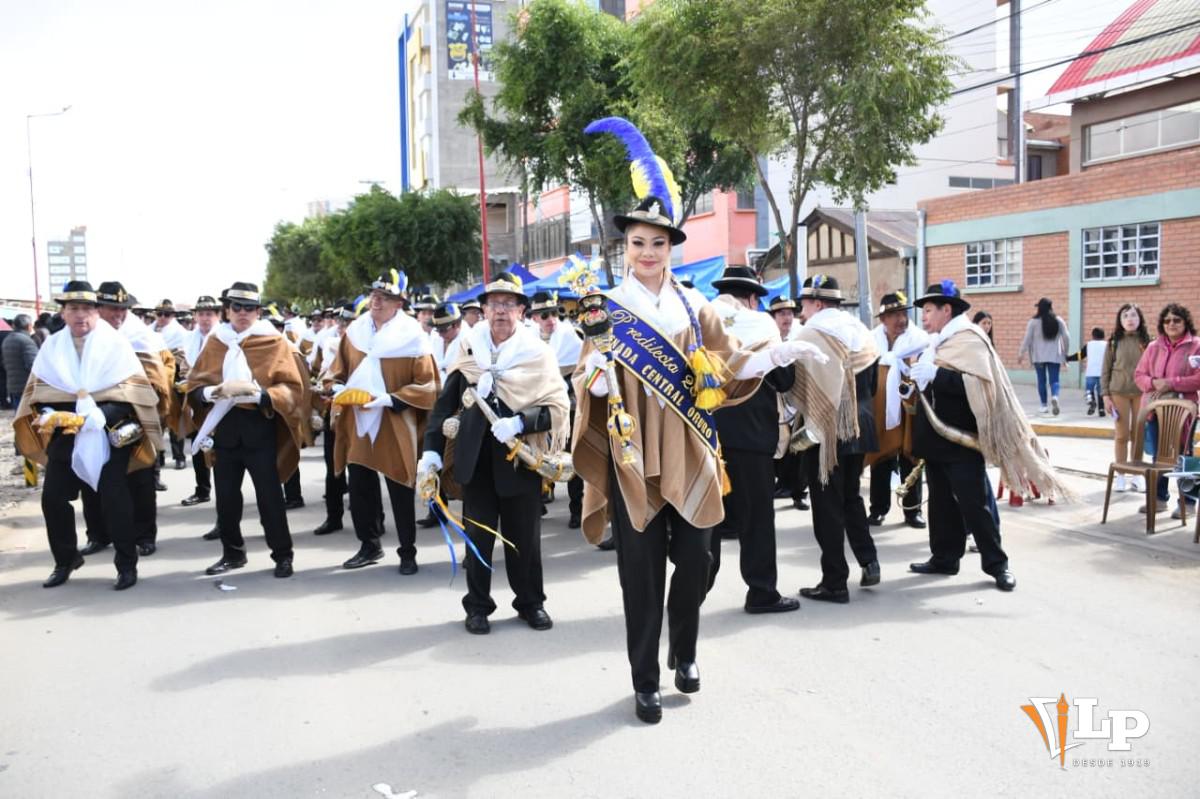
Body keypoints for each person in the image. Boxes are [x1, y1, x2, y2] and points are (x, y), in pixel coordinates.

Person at [571, 114, 826, 724]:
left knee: (702, 562)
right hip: (633, 453)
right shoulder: (604, 308)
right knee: (640, 574)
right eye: (638, 243)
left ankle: (684, 647)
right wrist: (595, 378)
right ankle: (646, 679)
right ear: (624, 247)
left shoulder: (695, 303)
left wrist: (777, 354)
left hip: (689, 447)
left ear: (670, 248)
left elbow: (728, 361)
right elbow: (584, 368)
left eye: (659, 243)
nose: (649, 252)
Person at [420, 270, 570, 633]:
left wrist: (521, 422)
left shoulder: (538, 353)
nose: (500, 310)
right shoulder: (469, 350)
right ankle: (477, 607)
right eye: (493, 304)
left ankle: (530, 603)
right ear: (483, 310)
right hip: (475, 459)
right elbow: (445, 404)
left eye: (508, 304)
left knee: (526, 542)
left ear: (521, 311)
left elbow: (558, 407)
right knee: (478, 541)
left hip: (521, 459)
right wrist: (432, 452)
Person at [908, 281, 1068, 591]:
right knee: (940, 503)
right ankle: (944, 558)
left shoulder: (969, 339)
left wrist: (937, 375)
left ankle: (998, 565)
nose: (924, 317)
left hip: (963, 437)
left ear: (946, 309)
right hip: (936, 436)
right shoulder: (937, 341)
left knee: (975, 504)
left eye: (928, 310)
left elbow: (981, 386)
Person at [12, 281, 161, 590]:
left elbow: (134, 395)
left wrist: (98, 416)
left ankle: (126, 564)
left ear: (96, 312)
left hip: (109, 434)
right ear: (63, 313)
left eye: (86, 309)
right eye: (73, 309)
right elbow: (38, 393)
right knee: (53, 498)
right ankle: (65, 560)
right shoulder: (52, 347)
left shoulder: (115, 345)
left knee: (114, 497)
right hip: (66, 434)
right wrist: (51, 414)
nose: (80, 315)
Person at [186, 282, 306, 578]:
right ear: (226, 310)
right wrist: (213, 392)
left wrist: (261, 395)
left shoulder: (274, 341)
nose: (242, 313)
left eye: (249, 308)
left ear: (258, 311)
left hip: (259, 428)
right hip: (224, 429)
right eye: (236, 307)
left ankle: (283, 555)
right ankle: (232, 554)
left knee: (270, 498)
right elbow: (194, 386)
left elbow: (292, 388)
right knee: (226, 498)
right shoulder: (216, 341)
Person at [327, 271, 438, 574]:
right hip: (357, 417)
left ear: (399, 303)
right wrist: (336, 387)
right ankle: (369, 545)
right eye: (374, 294)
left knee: (400, 486)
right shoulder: (355, 332)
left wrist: (391, 399)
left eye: (384, 296)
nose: (376, 300)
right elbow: (336, 372)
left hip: (394, 419)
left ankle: (407, 552)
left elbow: (428, 385)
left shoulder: (414, 336)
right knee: (360, 486)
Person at [707, 267, 799, 614]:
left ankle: (693, 590)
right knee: (757, 519)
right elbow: (784, 380)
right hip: (753, 434)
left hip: (708, 433)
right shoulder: (761, 325)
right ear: (751, 297)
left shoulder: (705, 320)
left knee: (707, 518)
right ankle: (761, 591)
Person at [788, 275, 880, 604]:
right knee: (851, 498)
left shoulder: (812, 333)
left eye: (805, 304)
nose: (801, 310)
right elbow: (874, 385)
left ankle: (834, 582)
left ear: (818, 303)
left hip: (827, 430)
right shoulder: (861, 330)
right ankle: (869, 560)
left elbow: (795, 382)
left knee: (827, 506)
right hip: (861, 426)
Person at [867, 291, 929, 529]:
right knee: (880, 458)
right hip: (880, 409)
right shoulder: (872, 340)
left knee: (910, 456)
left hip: (910, 407)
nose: (900, 319)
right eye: (894, 315)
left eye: (903, 313)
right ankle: (878, 509)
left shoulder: (919, 340)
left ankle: (912, 511)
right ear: (883, 319)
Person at [1134, 303, 1200, 518]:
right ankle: (1159, 499)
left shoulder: (1196, 346)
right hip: (1155, 410)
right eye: (1167, 320)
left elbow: (1198, 379)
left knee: (1184, 456)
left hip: (1183, 412)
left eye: (1177, 320)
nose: (1171, 324)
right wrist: (1155, 382)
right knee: (1158, 456)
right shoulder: (1153, 347)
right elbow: (1139, 376)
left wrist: (1172, 383)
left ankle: (1188, 503)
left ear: (1185, 322)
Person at [529, 290, 585, 528]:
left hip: (568, 410)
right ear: (534, 318)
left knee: (573, 460)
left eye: (553, 313)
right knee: (533, 457)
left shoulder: (572, 337)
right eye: (544, 315)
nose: (550, 319)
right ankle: (535, 502)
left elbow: (582, 376)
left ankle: (577, 508)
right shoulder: (526, 340)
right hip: (538, 409)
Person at [312, 303, 354, 536]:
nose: (341, 327)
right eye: (340, 323)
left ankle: (372, 519)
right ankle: (333, 516)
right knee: (333, 467)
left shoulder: (364, 344)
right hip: (334, 411)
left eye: (347, 323)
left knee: (361, 469)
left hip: (359, 411)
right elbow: (323, 373)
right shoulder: (329, 343)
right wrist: (325, 385)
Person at [1101, 303, 1150, 492]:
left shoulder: (1148, 342)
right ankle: (1120, 475)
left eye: (1134, 316)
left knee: (1138, 435)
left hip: (1142, 393)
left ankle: (1137, 475)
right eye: (1126, 316)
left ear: (1140, 319)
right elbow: (1105, 370)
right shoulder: (1113, 342)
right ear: (1120, 321)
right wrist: (1106, 396)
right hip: (1118, 392)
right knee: (1122, 435)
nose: (1130, 319)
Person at [180, 295, 222, 512]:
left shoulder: (223, 337)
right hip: (196, 399)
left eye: (209, 314)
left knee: (220, 450)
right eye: (201, 314)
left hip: (218, 399)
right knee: (197, 444)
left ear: (218, 316)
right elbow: (185, 366)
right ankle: (202, 489)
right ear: (195, 316)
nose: (205, 318)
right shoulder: (189, 339)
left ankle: (224, 498)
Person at [1018, 297, 1069, 416]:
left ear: (1039, 308)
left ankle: (1044, 405)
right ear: (1051, 307)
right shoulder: (1058, 320)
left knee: (1041, 380)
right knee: (1054, 380)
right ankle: (1055, 397)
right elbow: (1066, 337)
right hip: (1055, 356)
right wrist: (1065, 353)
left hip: (1038, 357)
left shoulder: (1033, 322)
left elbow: (1027, 339)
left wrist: (1021, 353)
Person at [1066, 327, 1108, 415]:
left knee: (1089, 390)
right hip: (1103, 373)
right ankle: (1101, 410)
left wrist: (1068, 358)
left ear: (1093, 336)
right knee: (1101, 392)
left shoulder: (1089, 345)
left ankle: (1091, 402)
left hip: (1091, 372)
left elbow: (1079, 356)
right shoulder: (1107, 345)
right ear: (1103, 336)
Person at [3, 314, 38, 410]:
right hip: (26, 386)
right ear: (29, 326)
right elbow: (32, 365)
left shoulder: (7, 339)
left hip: (12, 385)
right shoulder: (26, 341)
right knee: (29, 420)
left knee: (19, 418)